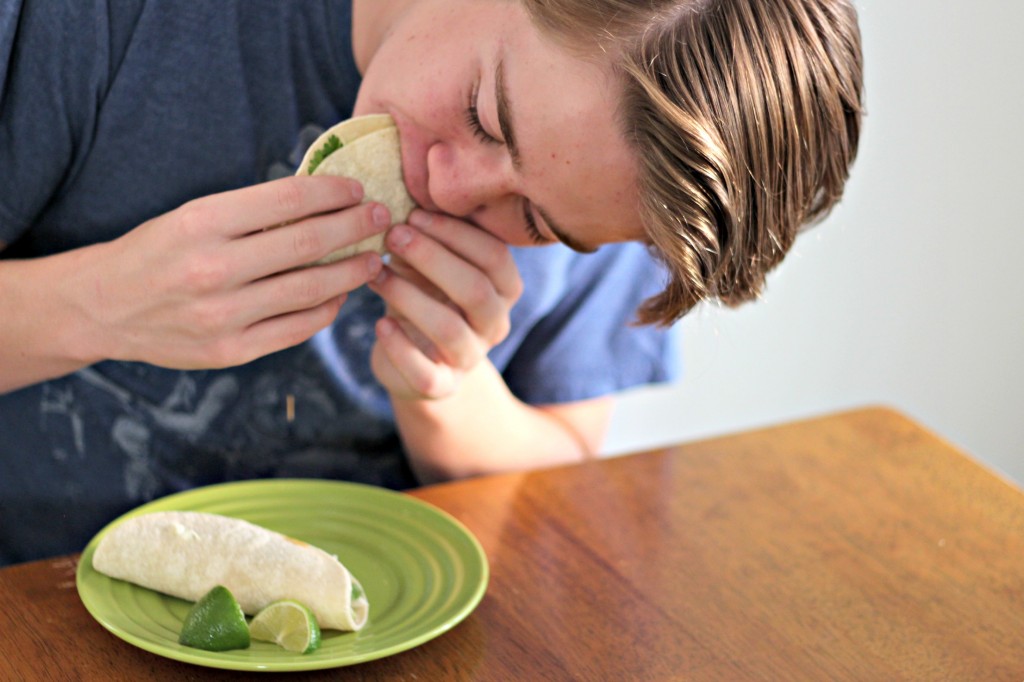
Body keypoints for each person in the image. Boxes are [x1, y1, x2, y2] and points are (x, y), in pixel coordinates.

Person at [0, 0, 863, 565]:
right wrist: (100, 304)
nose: (452, 189)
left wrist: (447, 395)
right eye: (486, 114)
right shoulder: (106, 24)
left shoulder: (630, 188)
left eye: (539, 225)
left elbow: (564, 483)